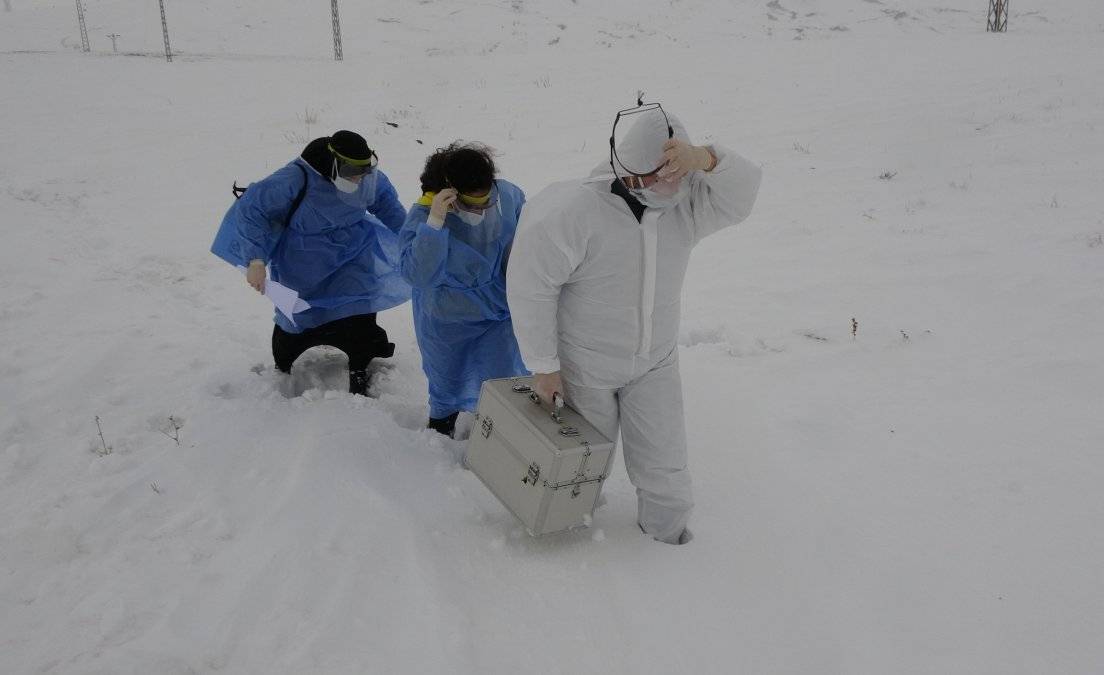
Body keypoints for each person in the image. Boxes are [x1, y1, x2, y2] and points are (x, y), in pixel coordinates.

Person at [506, 102, 761, 544]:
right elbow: (531, 286)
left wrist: (708, 159)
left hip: (655, 360)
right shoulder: (573, 209)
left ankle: (668, 538)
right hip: (585, 363)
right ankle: (574, 537)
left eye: (666, 176)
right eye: (639, 177)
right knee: (584, 459)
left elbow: (741, 199)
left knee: (665, 460)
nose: (650, 186)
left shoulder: (687, 204)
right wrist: (544, 365)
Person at [211, 130, 411, 396]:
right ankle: (285, 361)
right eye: (353, 172)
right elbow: (253, 209)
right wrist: (255, 259)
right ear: (334, 164)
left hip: (355, 254)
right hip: (303, 260)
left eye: (364, 171)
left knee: (359, 308)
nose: (360, 178)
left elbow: (387, 205)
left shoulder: (367, 177)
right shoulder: (295, 178)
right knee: (299, 316)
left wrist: (411, 237)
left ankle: (359, 364)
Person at [398, 142, 528, 436]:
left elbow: (522, 243)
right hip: (446, 317)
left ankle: (499, 432)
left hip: (496, 310)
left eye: (487, 200)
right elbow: (416, 275)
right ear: (450, 193)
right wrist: (434, 225)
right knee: (447, 379)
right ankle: (442, 426)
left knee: (502, 375)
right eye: (472, 203)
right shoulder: (424, 216)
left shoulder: (508, 196)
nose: (482, 209)